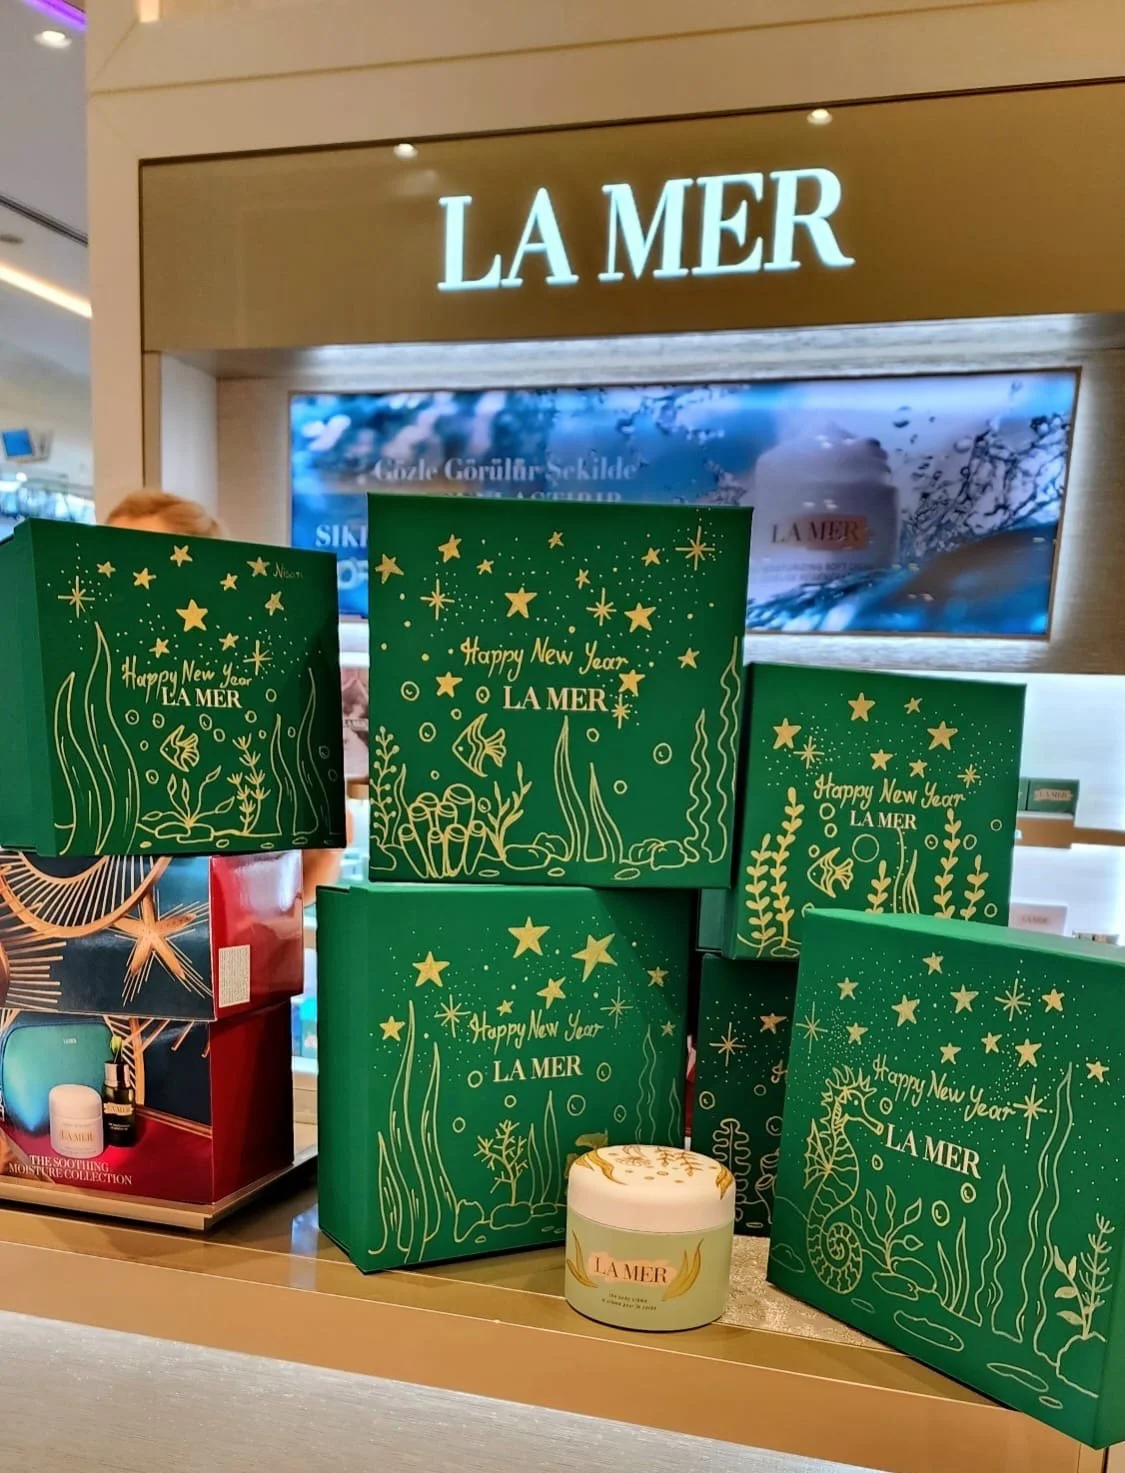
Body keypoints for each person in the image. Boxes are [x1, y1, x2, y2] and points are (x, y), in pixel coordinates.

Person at [105, 491, 350, 904]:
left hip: (229, 952)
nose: (130, 587)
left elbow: (311, 870)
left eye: (148, 569)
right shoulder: (85, 702)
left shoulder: (258, 697)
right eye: (111, 568)